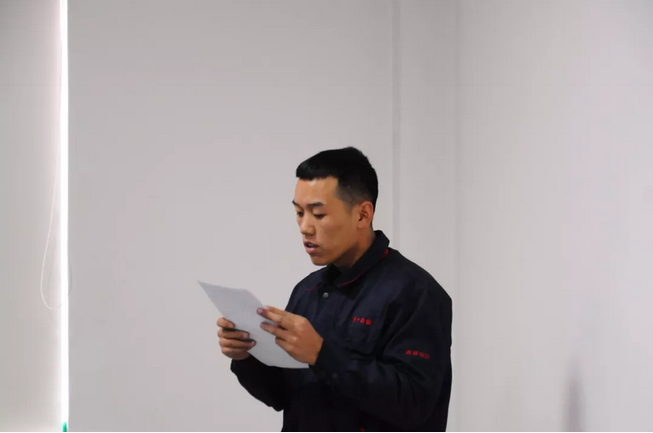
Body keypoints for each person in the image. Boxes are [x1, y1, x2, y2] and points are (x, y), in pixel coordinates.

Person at [217, 147, 452, 431]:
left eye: (318, 214)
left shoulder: (416, 292)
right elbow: (283, 396)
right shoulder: (307, 290)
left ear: (363, 215)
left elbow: (414, 403)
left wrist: (322, 355)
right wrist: (246, 356)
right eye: (299, 212)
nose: (305, 227)